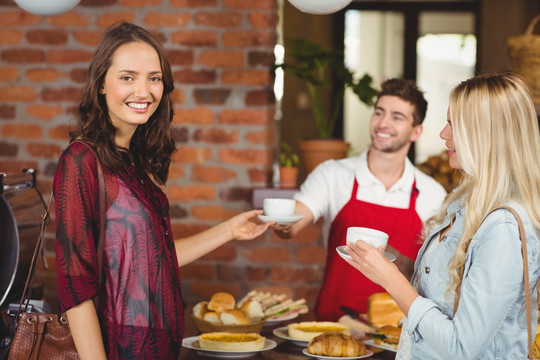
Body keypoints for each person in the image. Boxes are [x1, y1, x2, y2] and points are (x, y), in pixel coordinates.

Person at [53, 22, 273, 360]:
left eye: (154, 78)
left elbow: (154, 259)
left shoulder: (133, 160)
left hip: (159, 346)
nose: (143, 91)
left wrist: (229, 230)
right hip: (120, 346)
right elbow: (75, 286)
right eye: (128, 77)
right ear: (100, 85)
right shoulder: (81, 159)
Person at [347, 73, 540, 359]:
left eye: (453, 124)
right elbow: (448, 289)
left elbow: (461, 347)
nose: (442, 134)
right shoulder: (467, 200)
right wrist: (396, 263)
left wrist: (392, 281)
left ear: (485, 133)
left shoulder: (504, 228)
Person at [273, 78, 447, 320]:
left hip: (400, 330)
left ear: (416, 131)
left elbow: (437, 270)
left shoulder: (433, 194)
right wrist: (279, 222)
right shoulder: (332, 174)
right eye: (379, 112)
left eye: (397, 117)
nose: (383, 123)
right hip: (334, 322)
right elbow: (292, 225)